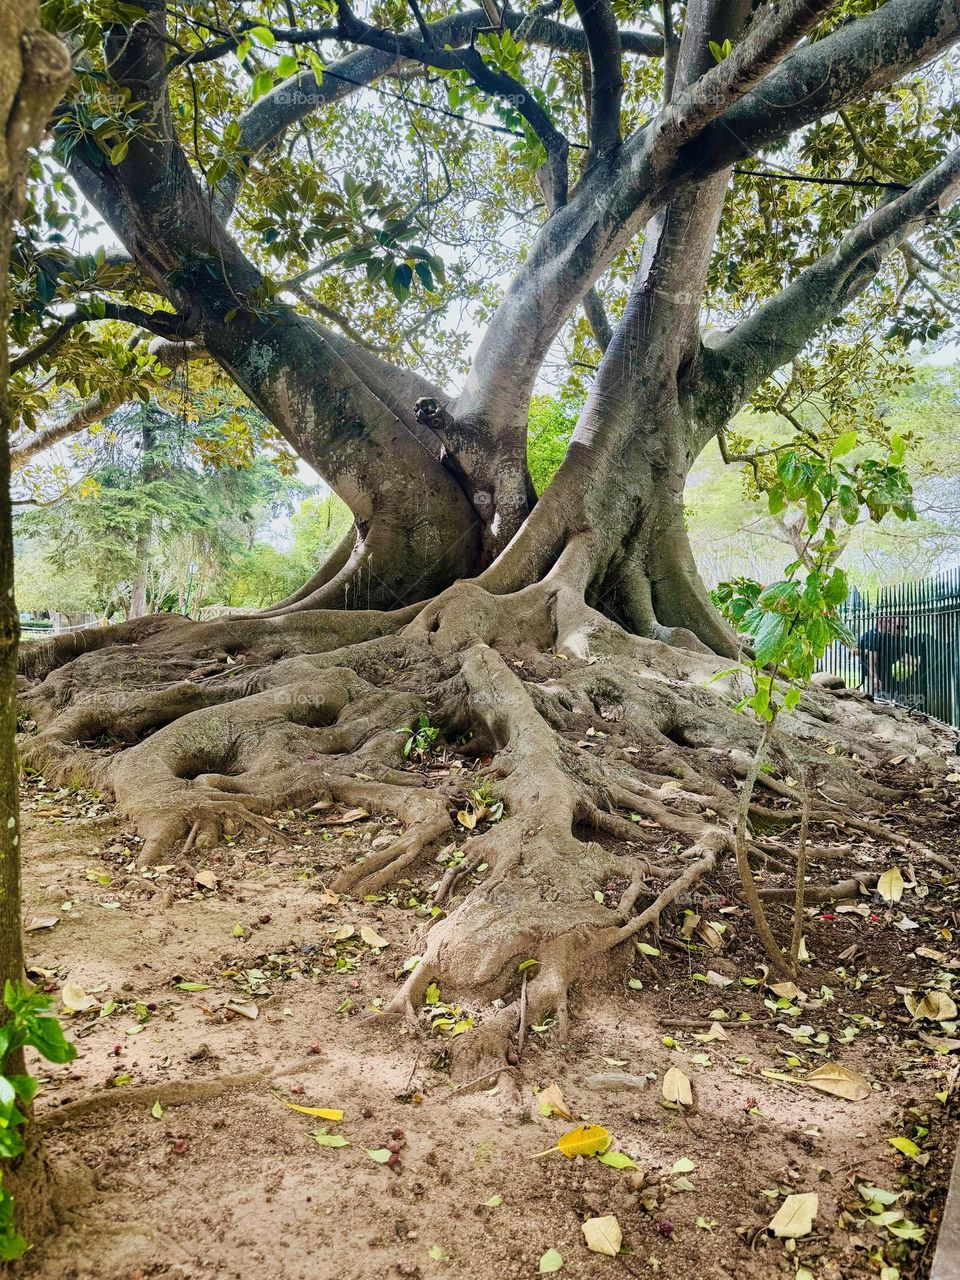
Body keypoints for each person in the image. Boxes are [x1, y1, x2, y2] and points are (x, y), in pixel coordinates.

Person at [858, 613, 921, 704]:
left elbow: (905, 657)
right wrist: (874, 678)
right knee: (877, 704)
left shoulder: (903, 640)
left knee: (897, 704)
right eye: (899, 627)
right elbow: (871, 662)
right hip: (878, 678)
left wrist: (917, 662)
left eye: (905, 627)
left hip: (894, 680)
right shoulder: (876, 638)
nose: (902, 630)